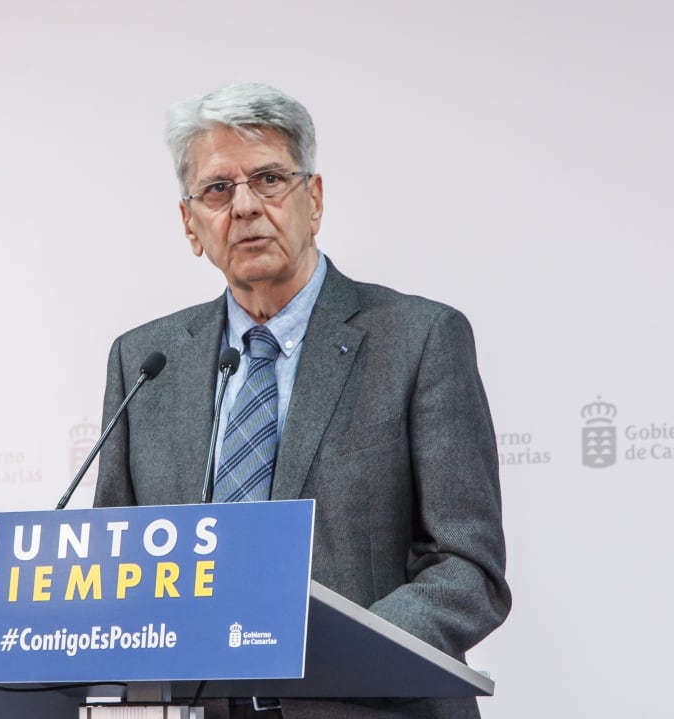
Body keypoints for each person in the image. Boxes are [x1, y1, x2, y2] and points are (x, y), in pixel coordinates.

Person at [93, 83, 511, 719]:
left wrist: (335, 653)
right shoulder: (144, 361)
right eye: (217, 189)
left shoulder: (419, 339)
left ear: (313, 201)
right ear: (190, 224)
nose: (244, 207)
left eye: (268, 179)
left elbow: (466, 568)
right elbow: (116, 567)